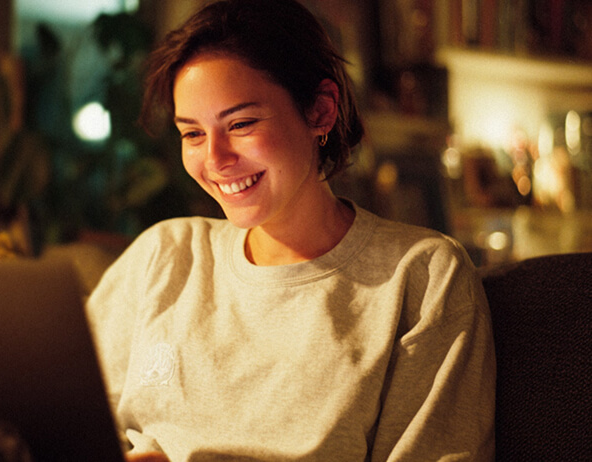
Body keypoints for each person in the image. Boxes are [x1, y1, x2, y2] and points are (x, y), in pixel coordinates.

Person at [85, 0, 496, 460]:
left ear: (320, 111)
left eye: (241, 124)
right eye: (193, 134)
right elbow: (58, 417)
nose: (215, 159)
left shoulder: (421, 275)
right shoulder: (165, 253)